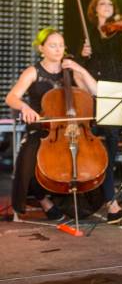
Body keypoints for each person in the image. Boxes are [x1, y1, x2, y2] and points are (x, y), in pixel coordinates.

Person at [6, 28, 97, 221]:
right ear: (42, 48)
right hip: (41, 129)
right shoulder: (33, 71)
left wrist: (79, 68)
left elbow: (94, 91)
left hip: (68, 129)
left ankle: (75, 200)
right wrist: (25, 108)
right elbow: (11, 97)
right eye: (52, 45)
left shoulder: (71, 72)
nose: (58, 50)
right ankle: (43, 200)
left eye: (61, 45)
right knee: (29, 159)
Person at [80, 0, 122, 224]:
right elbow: (81, 65)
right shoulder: (88, 34)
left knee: (110, 149)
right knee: (92, 149)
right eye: (102, 4)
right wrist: (83, 54)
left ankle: (111, 204)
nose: (107, 7)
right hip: (92, 95)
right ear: (95, 9)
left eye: (110, 4)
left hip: (116, 90)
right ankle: (93, 196)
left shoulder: (119, 33)